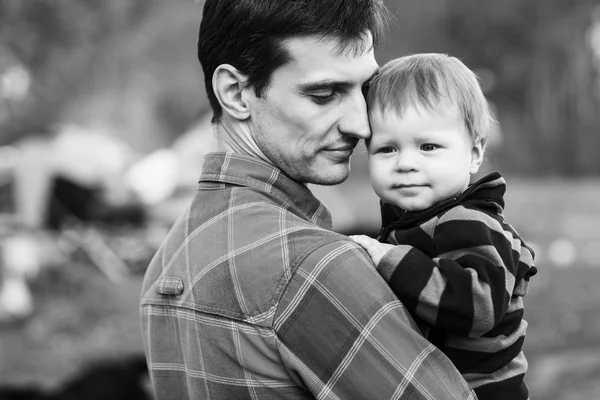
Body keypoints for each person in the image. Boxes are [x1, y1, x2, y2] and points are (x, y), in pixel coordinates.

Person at [140, 2, 477, 399]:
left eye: (364, 90)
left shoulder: (169, 259)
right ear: (235, 93)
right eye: (323, 94)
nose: (361, 124)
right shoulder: (310, 266)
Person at [350, 54, 537, 400]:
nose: (406, 163)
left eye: (428, 147)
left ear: (474, 154)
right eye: (387, 148)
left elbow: (478, 306)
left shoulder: (467, 221)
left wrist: (390, 259)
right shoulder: (420, 219)